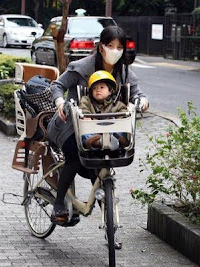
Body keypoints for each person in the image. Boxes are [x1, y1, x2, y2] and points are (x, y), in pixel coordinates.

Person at [47, 26, 149, 224]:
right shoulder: (82, 67)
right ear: (101, 47)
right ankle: (58, 202)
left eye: (119, 47)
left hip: (105, 127)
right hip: (72, 125)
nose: (115, 51)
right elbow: (58, 85)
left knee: (103, 164)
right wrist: (60, 102)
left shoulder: (125, 72)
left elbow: (139, 93)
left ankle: (110, 223)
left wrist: (143, 102)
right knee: (75, 157)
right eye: (110, 46)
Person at [80, 70, 129, 150]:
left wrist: (118, 122)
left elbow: (123, 113)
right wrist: (85, 115)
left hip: (113, 130)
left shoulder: (117, 104)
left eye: (102, 87)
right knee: (85, 133)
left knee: (122, 130)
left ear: (110, 91)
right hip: (94, 130)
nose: (98, 90)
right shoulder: (87, 100)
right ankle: (99, 142)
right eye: (94, 88)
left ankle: (117, 140)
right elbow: (83, 107)